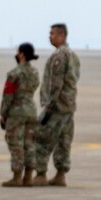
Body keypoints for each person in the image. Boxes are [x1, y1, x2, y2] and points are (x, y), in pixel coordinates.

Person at [34, 22, 81, 186]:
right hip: (68, 106)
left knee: (43, 137)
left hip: (57, 106)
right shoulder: (73, 55)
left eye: (53, 34)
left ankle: (40, 174)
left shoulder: (59, 56)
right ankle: (61, 174)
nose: (50, 36)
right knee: (64, 140)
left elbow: (56, 83)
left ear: (62, 36)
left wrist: (49, 104)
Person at [0, 43, 41, 186]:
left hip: (17, 112)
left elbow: (8, 96)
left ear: (22, 54)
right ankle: (28, 177)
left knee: (15, 144)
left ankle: (17, 177)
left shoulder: (14, 73)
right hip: (31, 111)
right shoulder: (35, 72)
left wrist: (3, 114)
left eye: (18, 52)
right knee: (29, 144)